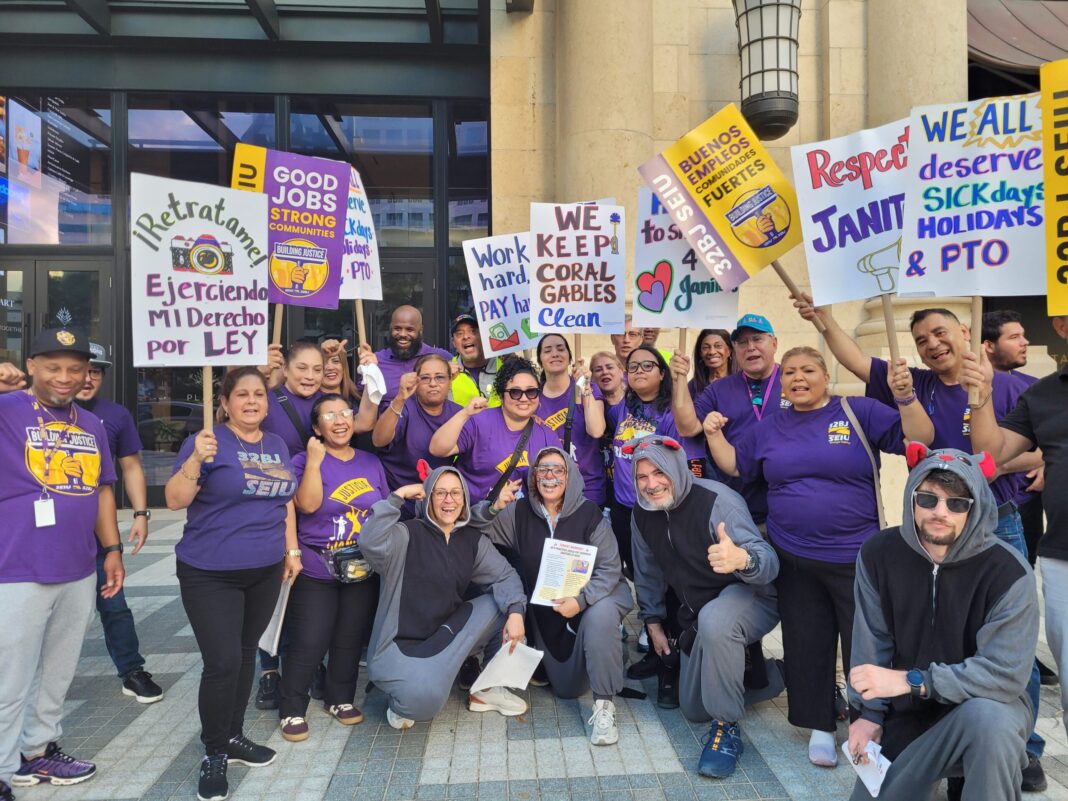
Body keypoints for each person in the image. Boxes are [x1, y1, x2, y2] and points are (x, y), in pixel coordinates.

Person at [795, 295, 1048, 786]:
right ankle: (936, 728)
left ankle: (1023, 747)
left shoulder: (1016, 385)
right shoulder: (918, 386)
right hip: (930, 529)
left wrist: (987, 467)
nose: (932, 344)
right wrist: (822, 319)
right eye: (921, 340)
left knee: (1007, 641)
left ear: (966, 333)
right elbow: (855, 359)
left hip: (998, 520)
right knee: (933, 627)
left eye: (940, 332)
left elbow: (1037, 448)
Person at [703, 346, 933, 766]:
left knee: (867, 643)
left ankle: (870, 720)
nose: (797, 378)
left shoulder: (857, 411)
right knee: (806, 642)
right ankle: (820, 726)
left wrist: (906, 398)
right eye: (789, 372)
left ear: (825, 375)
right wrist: (715, 434)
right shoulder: (771, 427)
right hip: (794, 556)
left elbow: (918, 439)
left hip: (857, 557)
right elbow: (736, 465)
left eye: (808, 369)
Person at [846, 446, 1037, 801]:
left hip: (986, 708)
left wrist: (912, 680)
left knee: (989, 723)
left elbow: (1004, 675)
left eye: (956, 504)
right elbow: (870, 641)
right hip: (910, 712)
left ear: (974, 507)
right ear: (912, 497)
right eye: (929, 499)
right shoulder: (878, 554)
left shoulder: (1009, 573)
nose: (940, 513)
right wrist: (867, 713)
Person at [164, 367, 301, 801]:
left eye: (258, 394)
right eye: (241, 395)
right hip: (210, 572)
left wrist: (290, 549)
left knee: (244, 656)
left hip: (263, 570)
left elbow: (286, 501)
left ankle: (234, 736)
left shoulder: (276, 444)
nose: (251, 401)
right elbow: (173, 500)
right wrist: (192, 462)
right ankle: (213, 752)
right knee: (221, 663)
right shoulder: (204, 442)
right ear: (224, 402)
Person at [0, 329, 124, 799]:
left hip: (77, 567)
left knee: (58, 670)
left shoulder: (90, 425)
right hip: (15, 567)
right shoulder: (7, 409)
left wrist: (111, 551)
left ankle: (38, 750)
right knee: (9, 675)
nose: (66, 377)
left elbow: (102, 490)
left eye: (76, 369)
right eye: (53, 367)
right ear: (31, 365)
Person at [627, 435, 779, 779]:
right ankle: (775, 676)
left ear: (677, 468)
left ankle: (727, 729)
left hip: (751, 595)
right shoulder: (642, 513)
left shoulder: (717, 500)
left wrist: (742, 558)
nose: (651, 484)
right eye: (642, 476)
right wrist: (652, 620)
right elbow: (647, 572)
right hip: (700, 612)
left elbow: (769, 563)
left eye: (659, 472)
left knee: (716, 622)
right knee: (693, 708)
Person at [470, 448, 633, 745]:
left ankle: (604, 705)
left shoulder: (590, 514)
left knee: (602, 615)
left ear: (570, 476)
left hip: (592, 600)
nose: (549, 476)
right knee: (566, 689)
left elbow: (610, 569)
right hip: (548, 613)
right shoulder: (518, 514)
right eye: (542, 469)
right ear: (533, 476)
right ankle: (605, 659)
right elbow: (472, 531)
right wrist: (493, 508)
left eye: (558, 470)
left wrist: (582, 601)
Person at [963, 315, 1068, 752]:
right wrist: (982, 398)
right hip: (1063, 558)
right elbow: (990, 455)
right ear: (1062, 324)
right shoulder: (1041, 394)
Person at [359, 466, 529, 728]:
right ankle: (402, 697)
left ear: (464, 499)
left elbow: (504, 576)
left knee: (505, 603)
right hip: (399, 646)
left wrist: (516, 612)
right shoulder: (406, 534)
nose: (448, 500)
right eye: (440, 493)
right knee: (425, 703)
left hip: (446, 634)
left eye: (455, 493)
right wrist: (397, 496)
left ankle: (486, 688)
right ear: (427, 498)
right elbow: (369, 542)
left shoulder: (470, 539)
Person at [279, 394, 387, 742]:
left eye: (345, 413)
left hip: (361, 566)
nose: (340, 420)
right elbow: (307, 505)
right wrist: (313, 461)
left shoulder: (371, 462)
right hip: (316, 565)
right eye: (329, 415)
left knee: (349, 639)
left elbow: (383, 509)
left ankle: (339, 698)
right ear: (316, 427)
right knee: (310, 640)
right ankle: (292, 707)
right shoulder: (302, 459)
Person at [75, 343, 163, 704]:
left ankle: (131, 671)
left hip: (99, 531)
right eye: (84, 369)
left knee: (114, 604)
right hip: (46, 534)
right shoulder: (33, 411)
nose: (88, 378)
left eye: (97, 371)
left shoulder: (113, 416)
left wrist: (141, 514)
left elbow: (130, 467)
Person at [669, 314, 787, 526]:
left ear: (774, 343)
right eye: (742, 342)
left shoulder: (794, 380)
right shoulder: (718, 389)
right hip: (739, 510)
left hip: (787, 509)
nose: (750, 347)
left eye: (757, 339)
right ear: (735, 349)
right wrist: (679, 377)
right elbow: (687, 428)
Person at [429, 357, 561, 503]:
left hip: (523, 521)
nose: (524, 398)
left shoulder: (546, 435)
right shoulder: (480, 422)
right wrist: (465, 413)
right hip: (479, 520)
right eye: (515, 392)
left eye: (531, 392)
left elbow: (560, 481)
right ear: (501, 394)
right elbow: (438, 449)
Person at [373, 354, 462, 503]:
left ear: (450, 382)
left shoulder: (459, 413)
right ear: (416, 381)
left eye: (440, 377)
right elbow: (378, 440)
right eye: (425, 378)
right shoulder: (405, 406)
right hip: (398, 496)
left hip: (438, 499)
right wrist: (400, 397)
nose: (433, 383)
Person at [535, 334, 606, 506]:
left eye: (561, 349)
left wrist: (585, 387)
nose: (555, 354)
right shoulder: (531, 398)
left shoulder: (588, 389)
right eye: (547, 350)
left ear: (569, 358)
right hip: (549, 490)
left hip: (587, 489)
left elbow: (596, 430)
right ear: (540, 360)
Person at [371, 305, 451, 410]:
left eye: (410, 329)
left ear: (421, 330)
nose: (403, 334)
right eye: (397, 328)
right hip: (388, 425)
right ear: (390, 328)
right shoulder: (377, 360)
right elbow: (360, 398)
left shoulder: (441, 358)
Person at [449, 313, 501, 407]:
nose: (466, 337)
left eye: (472, 331)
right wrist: (444, 380)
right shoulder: (447, 373)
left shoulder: (504, 364)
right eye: (459, 334)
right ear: (454, 343)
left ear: (483, 337)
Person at [689, 329, 733, 395]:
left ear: (729, 350)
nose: (712, 352)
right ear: (700, 353)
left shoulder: (741, 381)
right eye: (706, 347)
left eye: (718, 346)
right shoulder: (694, 385)